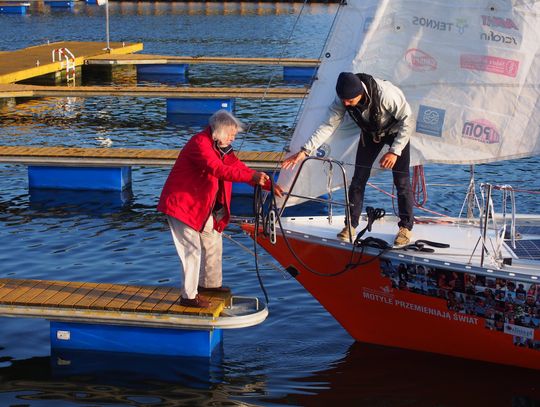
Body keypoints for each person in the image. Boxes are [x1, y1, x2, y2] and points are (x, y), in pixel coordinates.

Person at [158, 110, 282, 308]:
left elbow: (238, 167)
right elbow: (217, 169)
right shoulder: (200, 143)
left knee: (213, 239)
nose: (233, 137)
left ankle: (209, 285)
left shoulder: (222, 147)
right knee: (192, 249)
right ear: (219, 131)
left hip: (201, 205)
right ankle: (188, 296)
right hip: (182, 204)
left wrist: (268, 184)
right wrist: (251, 178)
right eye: (231, 133)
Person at [282, 72, 415, 246]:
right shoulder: (342, 100)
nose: (345, 104)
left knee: (402, 182)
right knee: (357, 180)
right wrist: (305, 150)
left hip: (396, 132)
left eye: (349, 101)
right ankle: (350, 225)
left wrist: (394, 151)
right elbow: (327, 125)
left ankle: (405, 228)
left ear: (360, 93)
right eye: (343, 100)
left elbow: (408, 120)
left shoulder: (386, 94)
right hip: (371, 133)